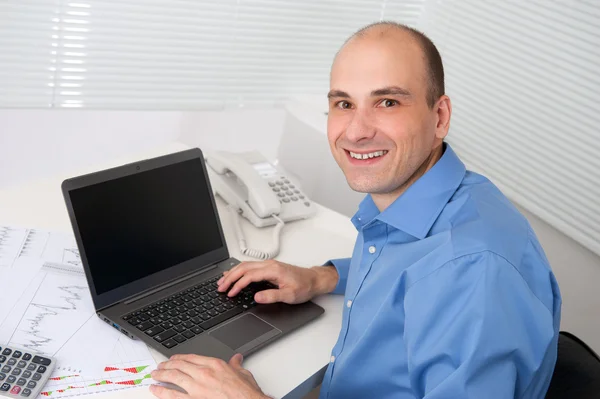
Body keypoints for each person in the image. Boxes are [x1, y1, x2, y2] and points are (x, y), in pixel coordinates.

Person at [149, 21, 562, 399]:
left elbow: (448, 276)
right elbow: (409, 263)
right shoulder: (441, 199)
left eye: (387, 103)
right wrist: (321, 277)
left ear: (439, 117)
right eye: (344, 104)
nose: (357, 131)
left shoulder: (473, 272)